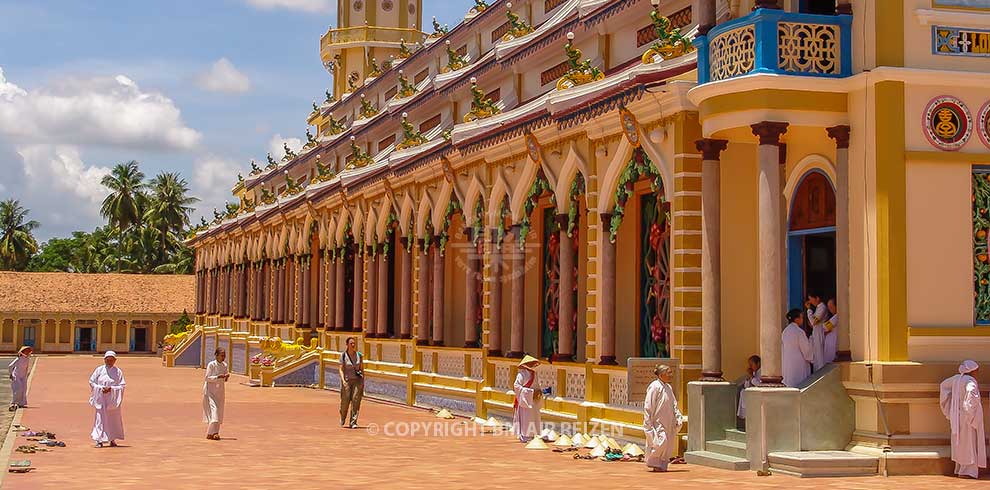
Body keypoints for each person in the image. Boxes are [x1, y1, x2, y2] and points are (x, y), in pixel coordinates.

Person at [939, 360, 986, 479]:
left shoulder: (955, 379)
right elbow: (970, 396)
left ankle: (960, 468)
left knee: (959, 442)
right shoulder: (970, 382)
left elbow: (943, 385)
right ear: (972, 371)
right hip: (967, 418)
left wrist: (950, 408)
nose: (977, 373)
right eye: (976, 370)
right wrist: (971, 415)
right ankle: (968, 471)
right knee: (968, 443)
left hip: (957, 416)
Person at [643, 364, 683, 472]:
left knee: (668, 444)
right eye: (668, 373)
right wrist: (648, 421)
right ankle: (654, 462)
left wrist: (678, 416)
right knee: (661, 442)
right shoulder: (654, 386)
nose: (671, 375)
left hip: (669, 421)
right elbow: (649, 405)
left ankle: (662, 464)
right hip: (658, 421)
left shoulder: (668, 387)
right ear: (661, 375)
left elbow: (673, 403)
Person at [89, 351, 126, 448]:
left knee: (112, 419)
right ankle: (99, 440)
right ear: (104, 360)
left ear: (115, 360)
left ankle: (112, 439)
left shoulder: (118, 372)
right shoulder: (99, 370)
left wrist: (111, 389)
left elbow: (122, 385)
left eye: (111, 360)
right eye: (107, 360)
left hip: (112, 400)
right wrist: (100, 388)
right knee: (100, 419)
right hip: (101, 398)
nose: (109, 362)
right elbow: (92, 382)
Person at [512, 355, 543, 442]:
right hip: (525, 399)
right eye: (531, 363)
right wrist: (529, 392)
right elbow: (517, 386)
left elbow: (537, 385)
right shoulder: (521, 374)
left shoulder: (534, 374)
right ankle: (525, 435)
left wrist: (538, 392)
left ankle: (533, 434)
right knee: (526, 417)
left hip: (533, 400)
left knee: (534, 416)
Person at [781, 308, 814, 387]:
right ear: (796, 319)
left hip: (787, 364)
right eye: (801, 317)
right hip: (799, 364)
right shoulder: (799, 331)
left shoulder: (785, 332)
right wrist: (813, 359)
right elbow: (806, 350)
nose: (802, 320)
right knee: (799, 385)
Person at [203, 348, 229, 440]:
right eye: (222, 355)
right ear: (216, 355)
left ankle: (214, 433)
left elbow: (225, 379)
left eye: (224, 355)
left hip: (220, 392)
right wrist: (218, 377)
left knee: (219, 411)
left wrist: (226, 377)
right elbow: (207, 378)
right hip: (210, 391)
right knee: (214, 412)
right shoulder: (211, 365)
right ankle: (211, 432)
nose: (223, 357)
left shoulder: (224, 365)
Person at [338, 337, 364, 428]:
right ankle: (342, 417)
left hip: (357, 380)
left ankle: (353, 422)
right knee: (345, 401)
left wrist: (362, 382)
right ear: (347, 345)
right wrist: (343, 380)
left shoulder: (359, 355)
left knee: (356, 400)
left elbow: (361, 369)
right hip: (347, 381)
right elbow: (341, 369)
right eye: (351, 343)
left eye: (354, 343)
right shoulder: (343, 356)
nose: (353, 345)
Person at [806, 293, 829, 371]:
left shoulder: (822, 307)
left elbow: (813, 322)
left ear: (817, 298)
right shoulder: (817, 308)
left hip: (820, 334)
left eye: (811, 299)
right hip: (816, 334)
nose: (810, 301)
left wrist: (809, 310)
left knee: (820, 356)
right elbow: (812, 324)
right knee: (816, 356)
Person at [737, 355, 761, 420]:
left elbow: (759, 384)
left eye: (751, 364)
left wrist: (752, 377)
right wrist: (748, 378)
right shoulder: (754, 372)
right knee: (743, 391)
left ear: (758, 363)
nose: (750, 367)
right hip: (752, 393)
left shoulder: (762, 372)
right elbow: (746, 386)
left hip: (759, 394)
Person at [8, 346, 31, 411]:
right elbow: (10, 366)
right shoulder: (18, 359)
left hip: (23, 376)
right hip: (16, 376)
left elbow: (26, 368)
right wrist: (11, 374)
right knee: (18, 389)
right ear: (22, 352)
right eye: (26, 351)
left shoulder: (27, 359)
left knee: (24, 389)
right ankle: (13, 403)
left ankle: (21, 403)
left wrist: (26, 375)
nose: (27, 352)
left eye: (28, 351)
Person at [823, 299, 838, 364]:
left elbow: (824, 328)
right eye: (829, 308)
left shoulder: (836, 317)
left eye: (831, 307)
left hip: (833, 343)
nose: (830, 310)